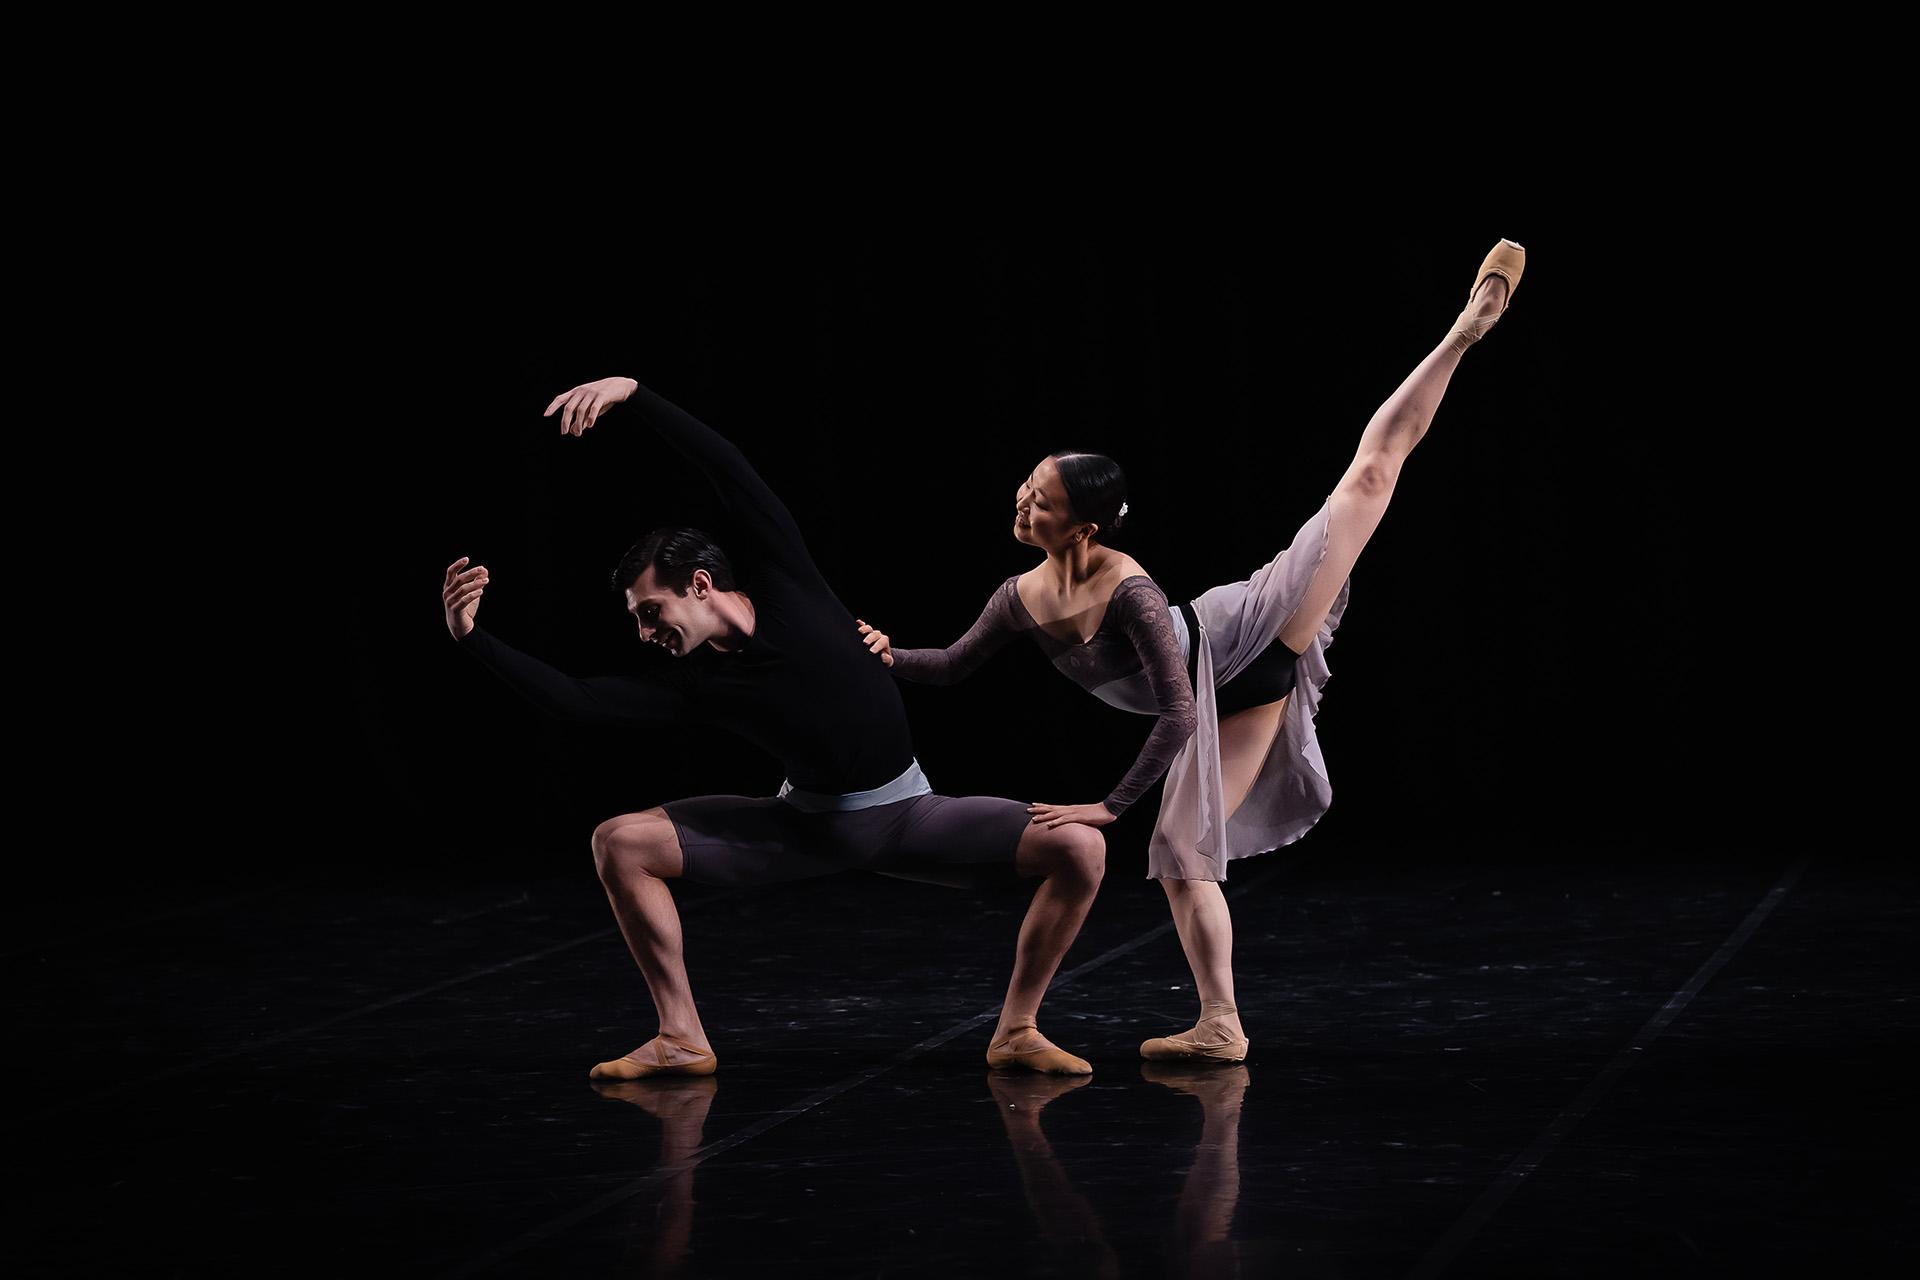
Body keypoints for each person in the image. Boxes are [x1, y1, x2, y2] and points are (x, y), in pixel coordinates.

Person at [857, 240, 1526, 1064]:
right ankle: (1222, 1025)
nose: (1024, 504)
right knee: (1182, 855)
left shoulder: (1127, 591)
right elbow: (955, 665)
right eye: (1028, 489)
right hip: (1235, 695)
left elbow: (1176, 708)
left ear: (1085, 528)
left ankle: (1463, 331)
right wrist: (889, 656)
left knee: (1367, 479)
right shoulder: (1018, 598)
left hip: (1245, 638)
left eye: (1043, 501)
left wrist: (1106, 807)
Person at [442, 376, 1107, 1080]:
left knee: (1083, 851)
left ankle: (1016, 1030)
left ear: (699, 584)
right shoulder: (697, 683)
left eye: (650, 612)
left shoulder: (787, 579)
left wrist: (634, 396)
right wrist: (471, 639)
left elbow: (728, 468)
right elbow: (577, 701)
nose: (645, 634)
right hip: (804, 830)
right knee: (619, 842)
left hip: (910, 816)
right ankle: (681, 1036)